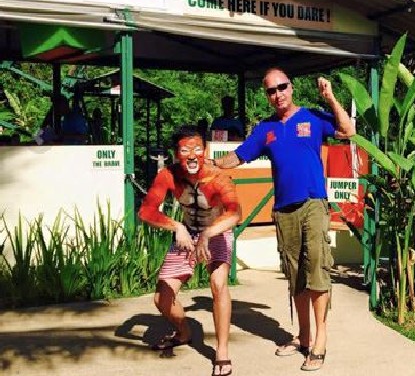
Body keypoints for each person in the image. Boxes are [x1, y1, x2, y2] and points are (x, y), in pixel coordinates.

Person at [213, 68, 355, 371]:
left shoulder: (313, 117)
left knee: (317, 270)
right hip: (283, 210)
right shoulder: (265, 129)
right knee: (295, 276)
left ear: (291, 88)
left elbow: (348, 131)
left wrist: (330, 98)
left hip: (313, 204)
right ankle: (302, 336)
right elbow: (239, 156)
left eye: (282, 87)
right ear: (266, 95)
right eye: (271, 91)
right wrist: (210, 166)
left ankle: (320, 340)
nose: (278, 94)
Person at [138, 125, 242, 376]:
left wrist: (208, 233)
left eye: (197, 149)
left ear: (204, 150)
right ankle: (184, 332)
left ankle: (222, 352)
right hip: (186, 232)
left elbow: (235, 213)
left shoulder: (218, 177)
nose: (192, 155)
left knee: (218, 284)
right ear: (176, 153)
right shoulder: (168, 175)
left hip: (215, 231)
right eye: (185, 150)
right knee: (161, 298)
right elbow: (146, 211)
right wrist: (176, 226)